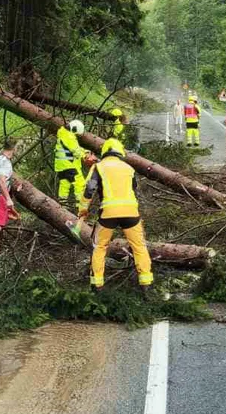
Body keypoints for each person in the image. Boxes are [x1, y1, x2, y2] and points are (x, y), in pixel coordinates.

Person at [80, 138, 154, 293]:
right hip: (131, 212)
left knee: (100, 247)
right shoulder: (128, 168)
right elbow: (133, 190)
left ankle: (97, 285)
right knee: (139, 247)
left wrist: (83, 210)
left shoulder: (98, 167)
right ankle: (146, 284)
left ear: (105, 151)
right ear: (120, 152)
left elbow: (89, 189)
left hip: (108, 213)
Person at [54, 119, 87, 205]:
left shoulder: (63, 134)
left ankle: (62, 204)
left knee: (64, 185)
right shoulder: (69, 137)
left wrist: (85, 152)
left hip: (61, 166)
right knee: (80, 184)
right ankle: (81, 206)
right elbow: (76, 151)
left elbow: (74, 148)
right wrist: (86, 156)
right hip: (69, 165)